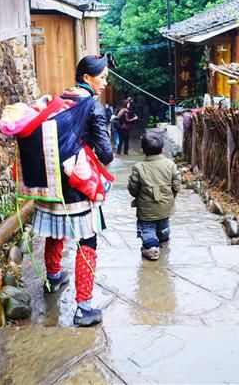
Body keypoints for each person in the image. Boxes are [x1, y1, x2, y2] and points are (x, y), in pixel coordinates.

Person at [27, 55, 114, 326]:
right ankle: (84, 306)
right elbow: (107, 153)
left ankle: (53, 277)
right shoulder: (91, 106)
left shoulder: (57, 100)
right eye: (102, 77)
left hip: (51, 182)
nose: (105, 82)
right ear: (87, 78)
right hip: (77, 186)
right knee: (86, 241)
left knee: (55, 232)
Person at [127, 132, 181, 261]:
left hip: (146, 209)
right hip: (165, 205)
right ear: (162, 149)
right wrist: (171, 197)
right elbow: (177, 185)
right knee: (164, 223)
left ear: (142, 150)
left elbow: (133, 189)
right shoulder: (170, 164)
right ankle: (163, 241)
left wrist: (138, 196)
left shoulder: (139, 167)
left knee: (147, 228)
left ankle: (151, 248)